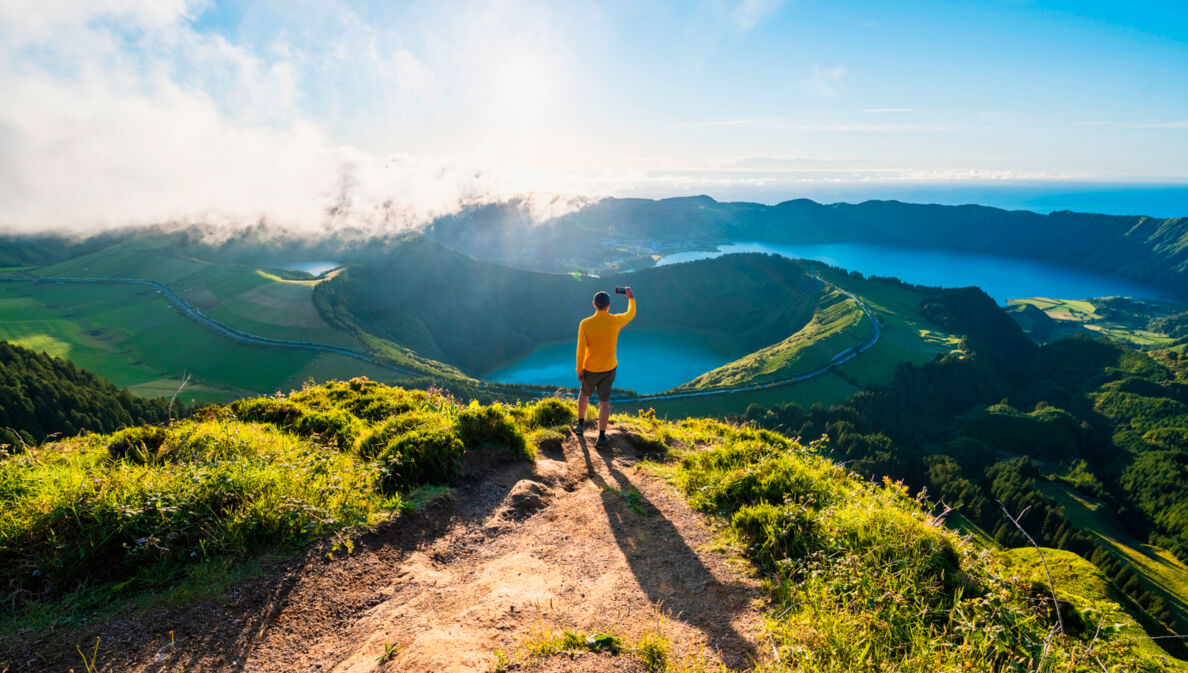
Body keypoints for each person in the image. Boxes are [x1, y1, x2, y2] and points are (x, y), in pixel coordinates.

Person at [574, 287, 636, 447]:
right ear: (608, 305)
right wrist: (631, 298)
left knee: (584, 394)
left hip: (590, 369)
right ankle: (601, 437)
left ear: (594, 304)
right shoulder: (615, 321)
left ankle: (580, 426)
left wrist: (579, 369)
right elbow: (630, 314)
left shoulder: (585, 324)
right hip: (609, 369)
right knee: (604, 402)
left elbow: (580, 349)